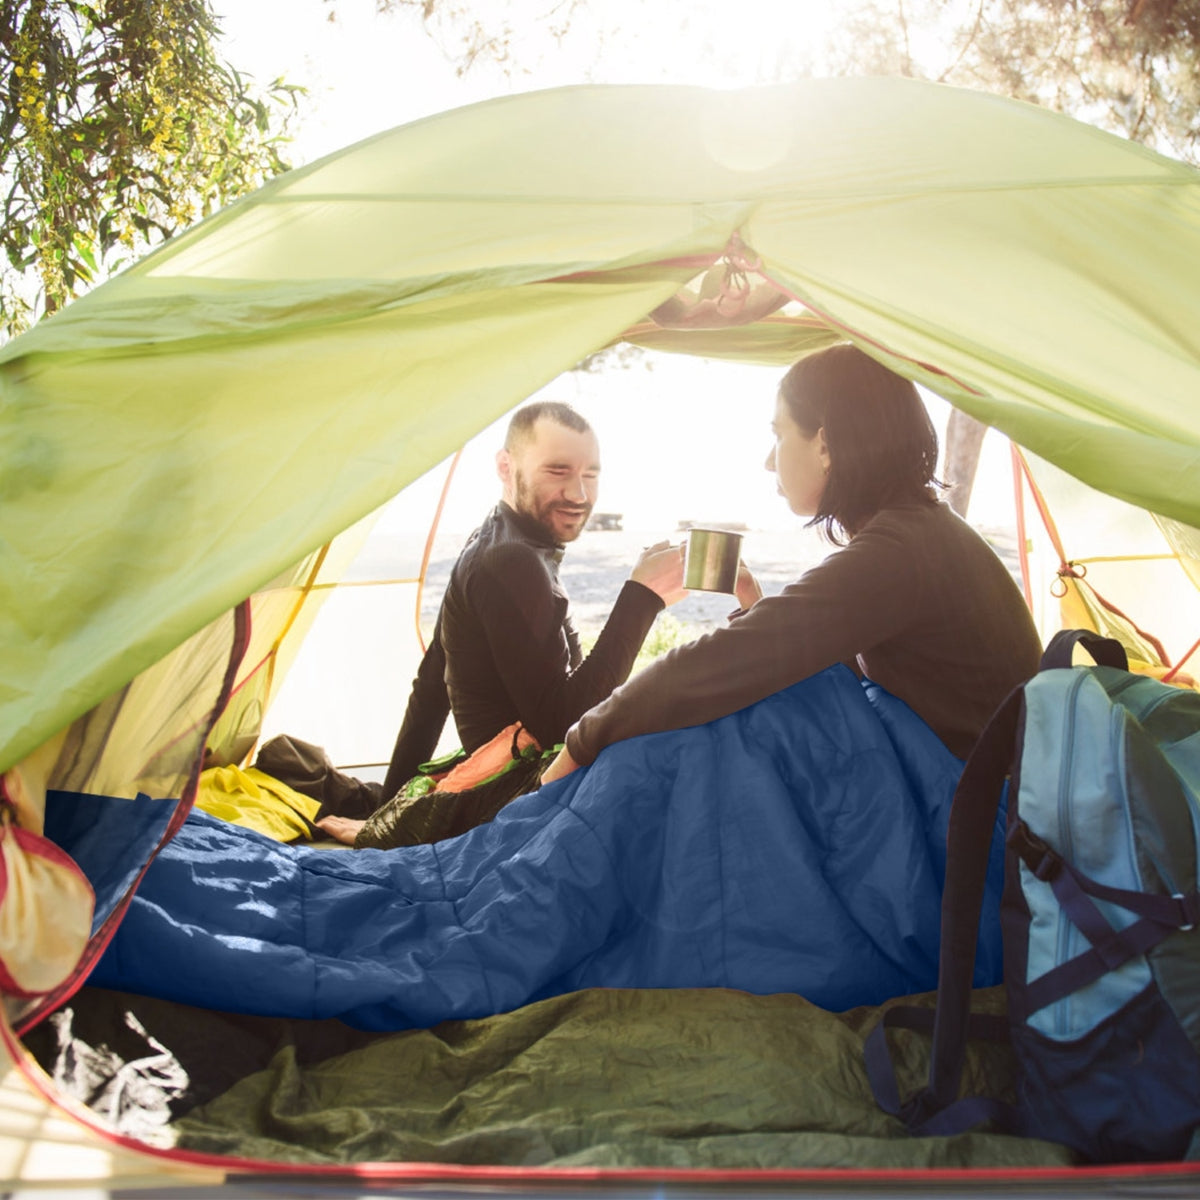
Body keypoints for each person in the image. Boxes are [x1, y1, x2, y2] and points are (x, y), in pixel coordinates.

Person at [542, 343, 1043, 785]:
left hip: (983, 816)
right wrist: (752, 602)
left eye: (778, 434)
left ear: (825, 445)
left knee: (709, 734)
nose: (768, 460)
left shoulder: (899, 550)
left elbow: (716, 665)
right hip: (979, 783)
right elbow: (806, 658)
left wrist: (580, 743)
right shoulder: (919, 531)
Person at [313, 399, 687, 845]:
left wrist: (388, 812)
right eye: (558, 471)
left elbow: (431, 689)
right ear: (506, 468)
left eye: (590, 474)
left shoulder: (497, 541)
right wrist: (642, 599)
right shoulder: (511, 560)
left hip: (503, 785)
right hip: (518, 799)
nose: (579, 494)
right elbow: (563, 725)